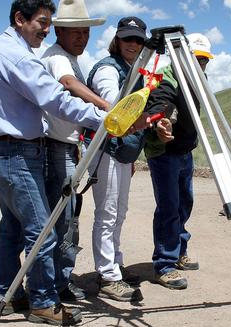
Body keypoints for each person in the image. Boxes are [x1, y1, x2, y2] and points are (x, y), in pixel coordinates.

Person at [0, 0, 109, 326]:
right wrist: (104, 118)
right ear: (20, 19)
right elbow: (57, 99)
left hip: (3, 151)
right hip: (18, 153)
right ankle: (44, 303)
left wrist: (5, 112)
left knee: (13, 228)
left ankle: (10, 289)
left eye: (49, 24)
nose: (46, 31)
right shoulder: (17, 57)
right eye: (42, 23)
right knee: (42, 231)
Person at [40, 0, 106, 304]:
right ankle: (58, 284)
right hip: (56, 147)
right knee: (64, 218)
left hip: (67, 145)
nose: (81, 38)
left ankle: (59, 280)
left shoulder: (67, 56)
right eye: (75, 32)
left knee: (68, 215)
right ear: (59, 31)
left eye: (85, 32)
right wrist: (107, 107)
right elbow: (68, 84)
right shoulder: (58, 59)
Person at [142, 33, 214, 290]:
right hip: (163, 151)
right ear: (182, 55)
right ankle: (164, 264)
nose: (201, 64)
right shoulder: (166, 76)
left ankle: (179, 249)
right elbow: (161, 104)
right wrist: (163, 123)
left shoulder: (199, 78)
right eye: (197, 59)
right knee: (169, 207)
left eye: (205, 60)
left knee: (185, 203)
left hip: (185, 149)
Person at [85, 16, 147, 301]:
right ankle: (108, 276)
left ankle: (115, 266)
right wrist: (147, 119)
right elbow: (113, 104)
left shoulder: (133, 70)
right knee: (107, 213)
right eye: (127, 38)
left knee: (119, 212)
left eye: (138, 39)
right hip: (106, 150)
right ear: (117, 40)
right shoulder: (108, 69)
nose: (133, 44)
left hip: (123, 152)